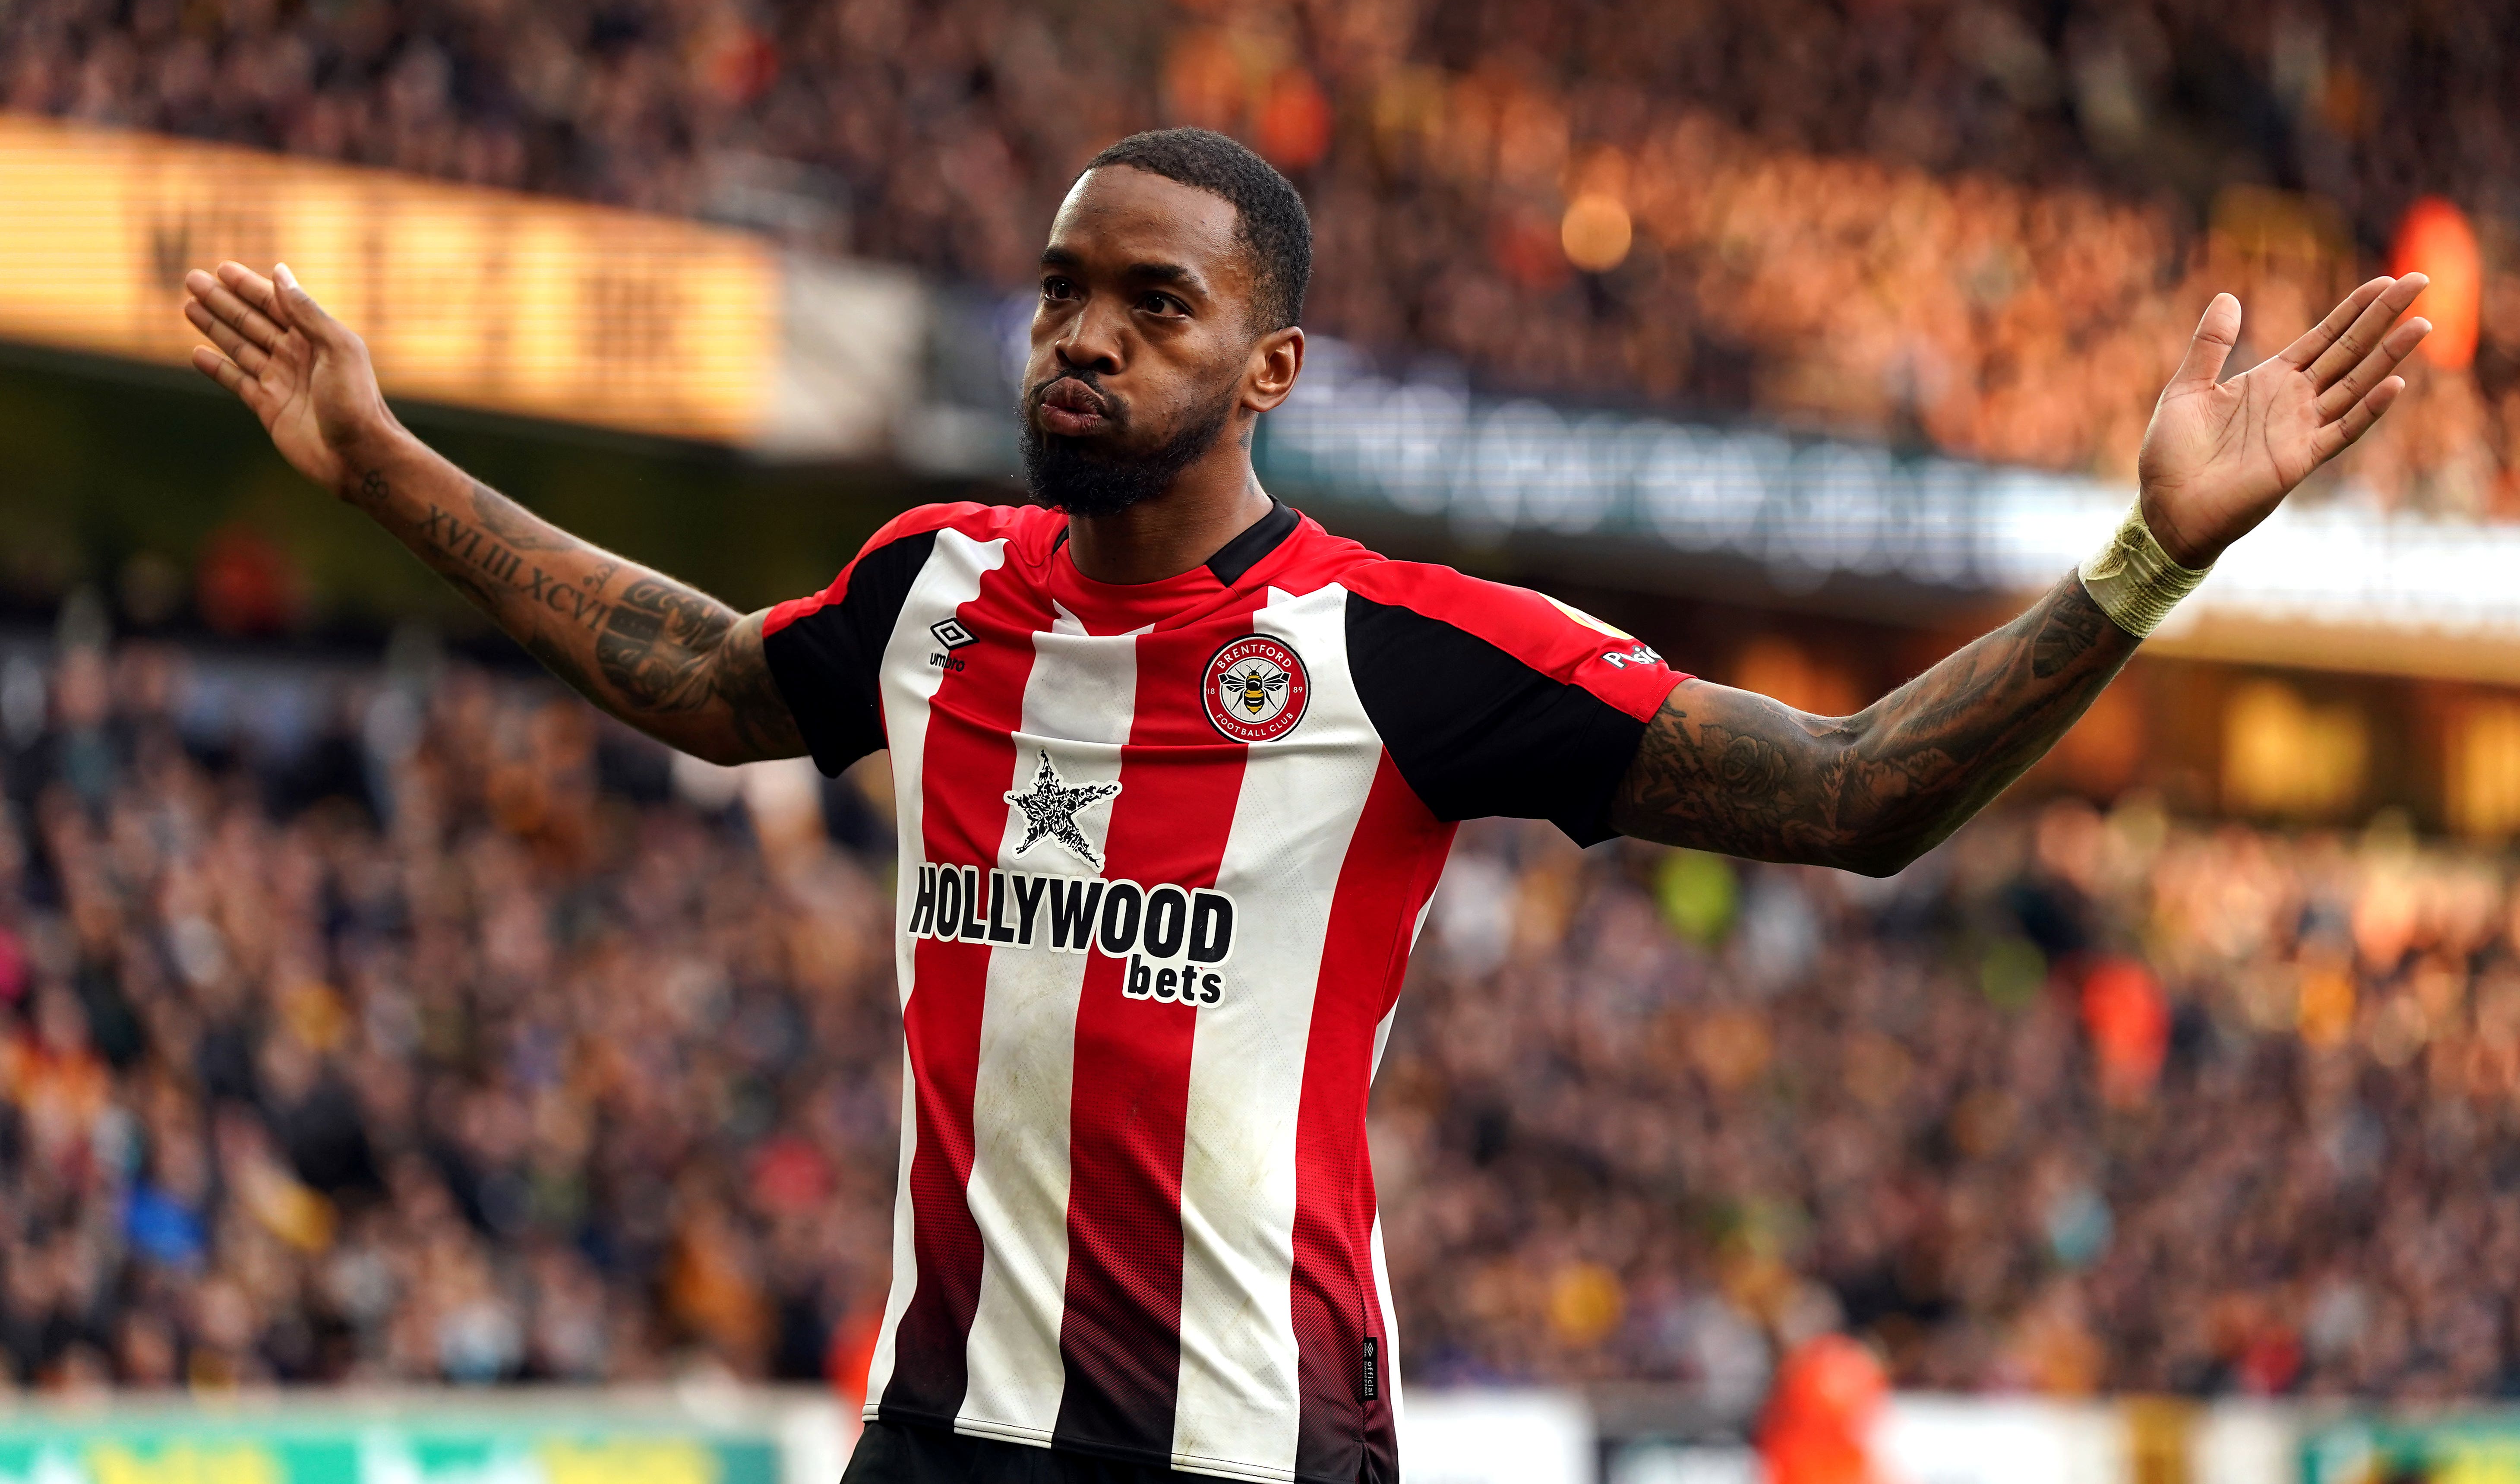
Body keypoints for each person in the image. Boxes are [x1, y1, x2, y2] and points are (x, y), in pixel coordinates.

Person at [179, 127, 2427, 1483]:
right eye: (1062, 288)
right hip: (946, 1439)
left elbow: (1854, 796)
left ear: (1269, 369)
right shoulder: (937, 593)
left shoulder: (1405, 653)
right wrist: (378, 453)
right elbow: (689, 667)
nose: (1082, 334)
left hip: (1255, 1453)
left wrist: (2148, 557)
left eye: (1153, 301)